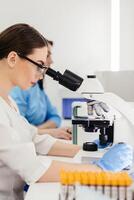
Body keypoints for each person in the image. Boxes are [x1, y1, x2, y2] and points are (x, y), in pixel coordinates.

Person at [0, 23, 132, 200]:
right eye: (39, 65)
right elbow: (34, 169)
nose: (41, 74)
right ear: (12, 59)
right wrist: (101, 170)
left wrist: (87, 148)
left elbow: (34, 139)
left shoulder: (8, 102)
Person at [10, 40, 72, 140]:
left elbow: (55, 117)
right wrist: (43, 132)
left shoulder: (37, 87)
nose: (51, 61)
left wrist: (37, 131)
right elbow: (18, 131)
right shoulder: (18, 88)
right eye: (47, 55)